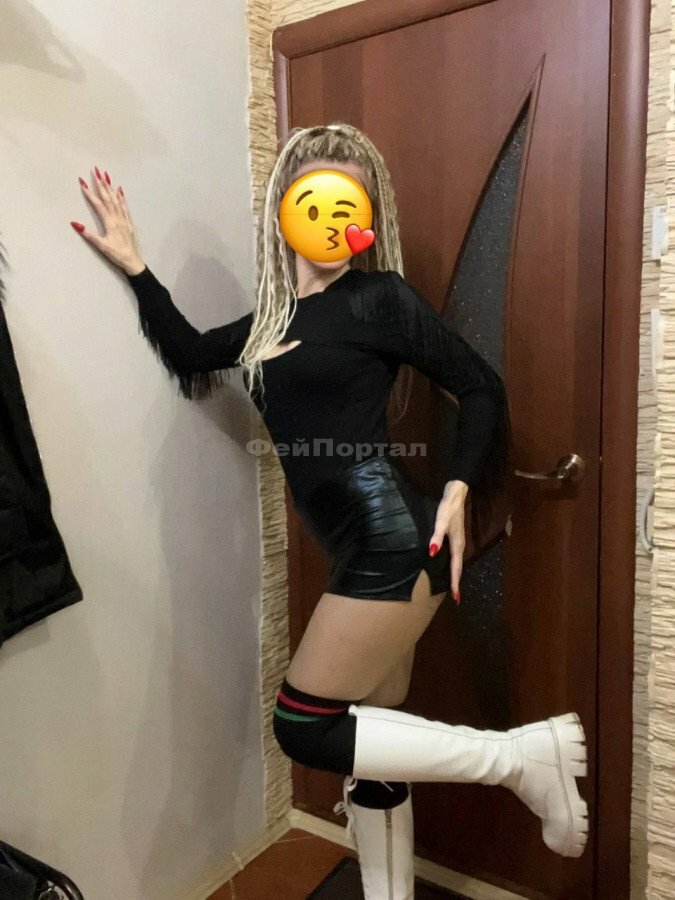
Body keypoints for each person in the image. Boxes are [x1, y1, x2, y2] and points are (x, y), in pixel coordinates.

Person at [71, 124, 588, 899]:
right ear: (286, 210)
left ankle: (519, 759)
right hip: (358, 548)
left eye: (351, 201)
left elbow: (480, 385)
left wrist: (457, 488)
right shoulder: (271, 323)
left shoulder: (380, 300)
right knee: (372, 737)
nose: (334, 216)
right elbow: (189, 351)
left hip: (392, 542)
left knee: (304, 725)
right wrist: (135, 265)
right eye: (316, 198)